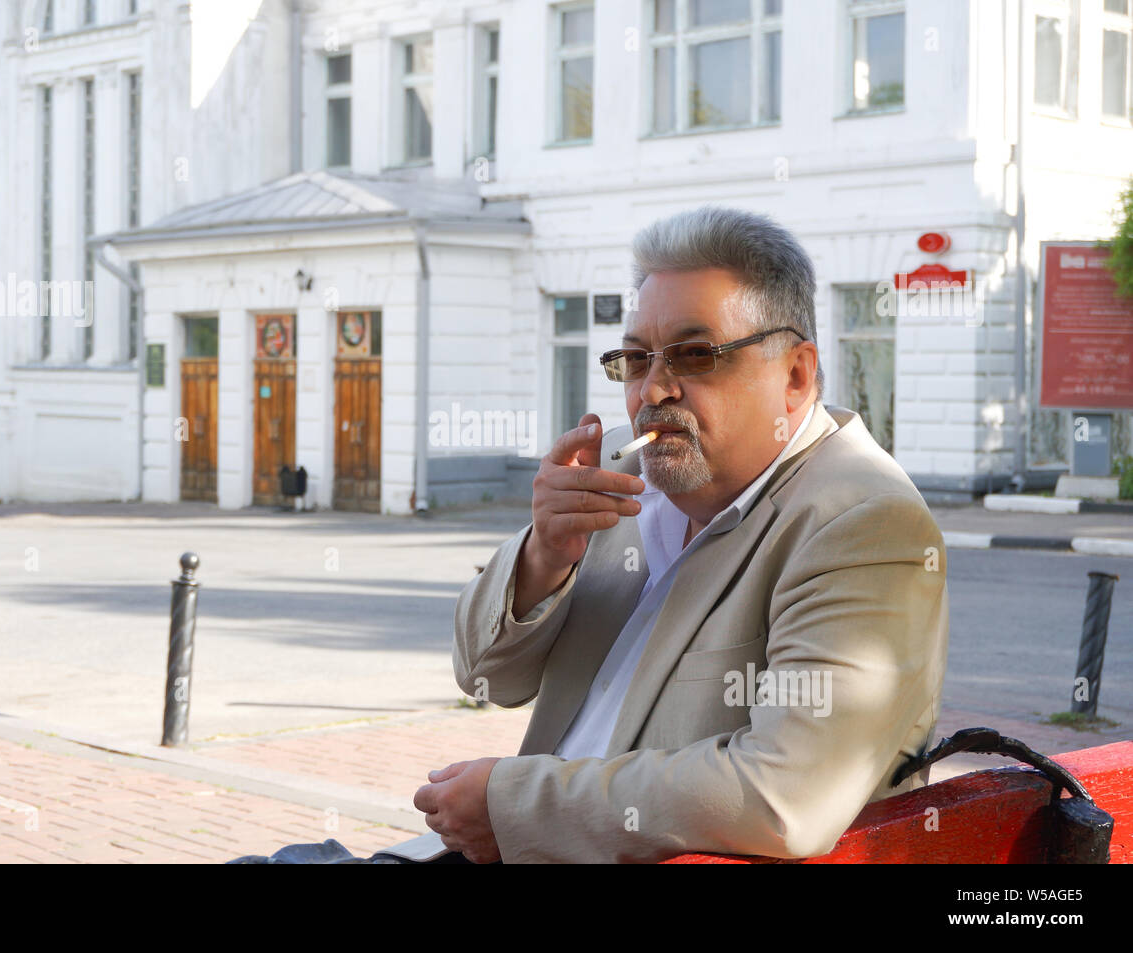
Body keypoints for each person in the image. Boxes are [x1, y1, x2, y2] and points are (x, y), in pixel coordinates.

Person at [229, 205, 948, 865]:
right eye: (636, 360)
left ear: (795, 374)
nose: (652, 390)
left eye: (695, 355)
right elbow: (484, 676)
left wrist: (509, 805)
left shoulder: (860, 519)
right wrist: (544, 553)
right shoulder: (623, 485)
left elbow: (781, 794)